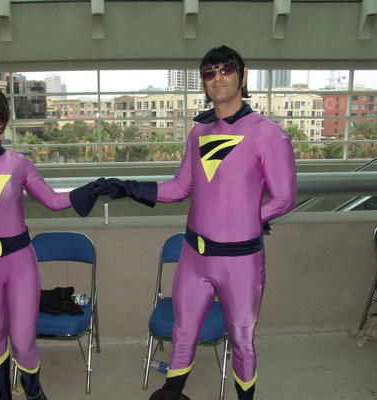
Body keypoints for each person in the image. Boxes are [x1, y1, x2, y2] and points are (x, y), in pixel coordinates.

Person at [106, 45, 296, 400]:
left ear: (243, 76)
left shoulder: (266, 133)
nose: (218, 78)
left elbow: (284, 198)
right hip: (194, 255)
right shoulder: (199, 133)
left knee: (242, 339)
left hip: (240, 260)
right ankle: (172, 392)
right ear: (203, 82)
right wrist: (129, 187)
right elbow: (180, 188)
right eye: (209, 72)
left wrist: (248, 220)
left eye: (226, 69)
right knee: (183, 331)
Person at [0, 85, 106, 400]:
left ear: (5, 117)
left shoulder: (19, 163)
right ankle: (4, 395)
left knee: (23, 340)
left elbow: (53, 201)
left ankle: (33, 392)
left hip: (19, 263)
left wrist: (91, 189)